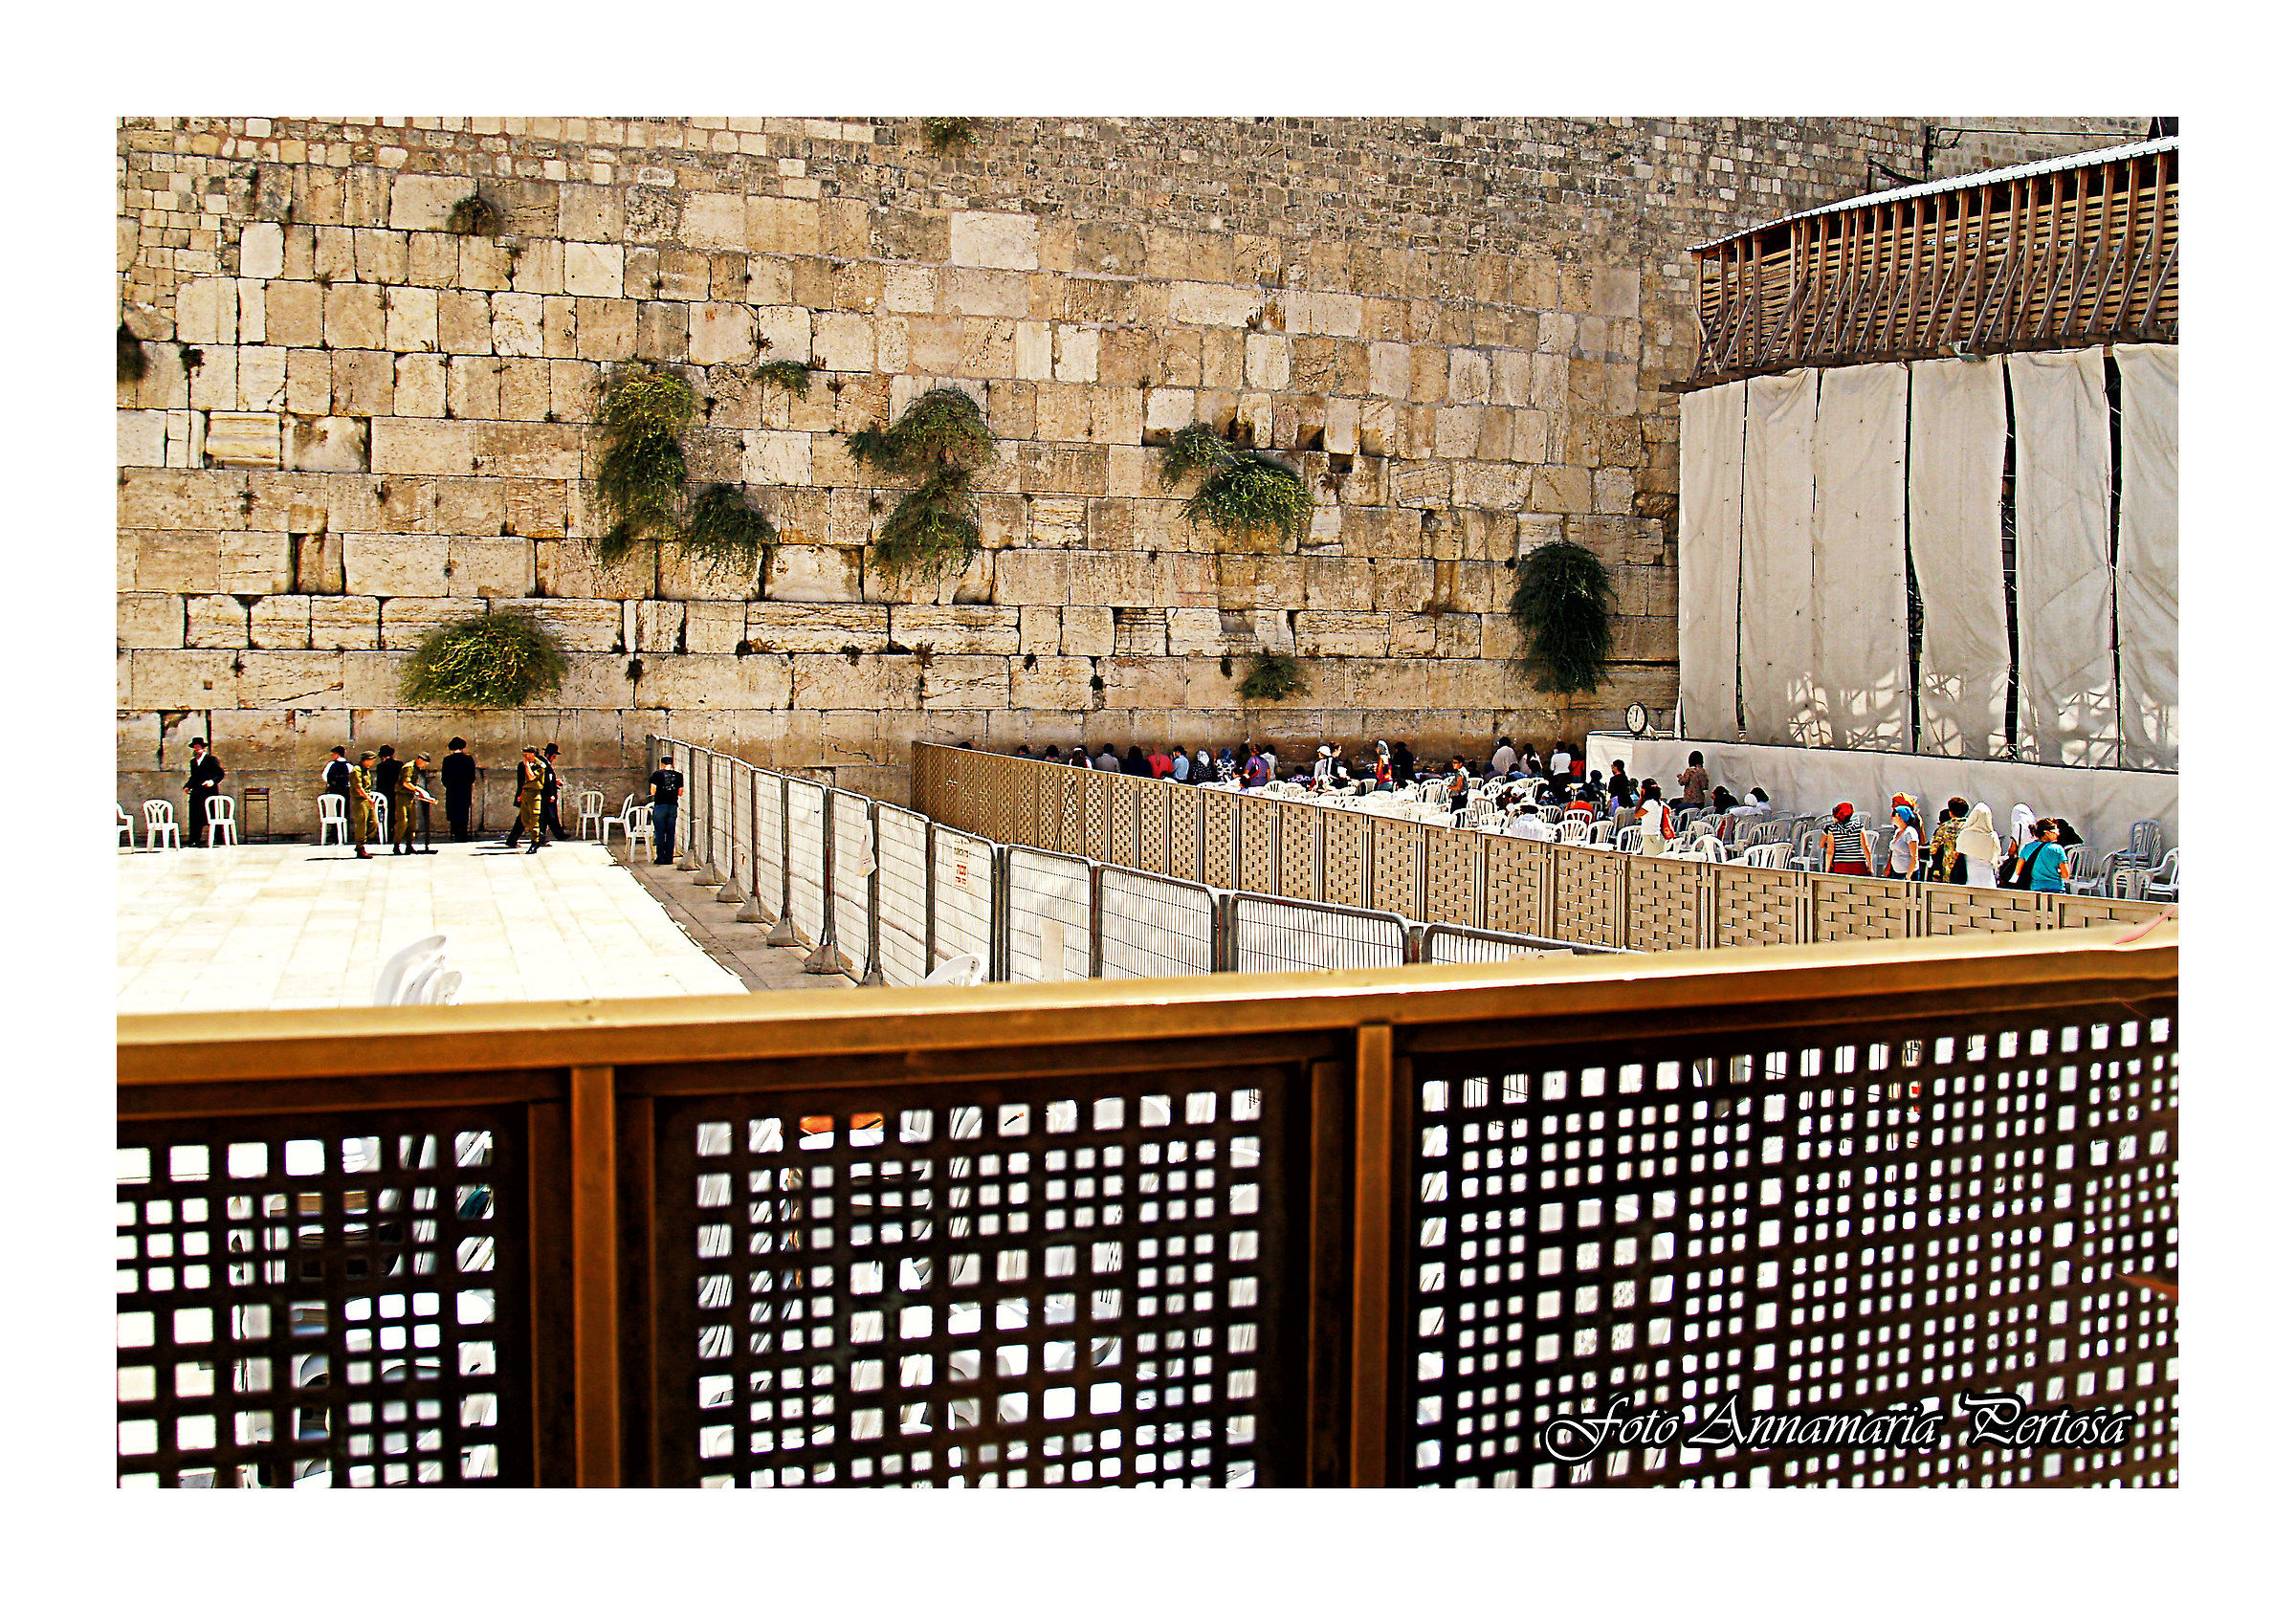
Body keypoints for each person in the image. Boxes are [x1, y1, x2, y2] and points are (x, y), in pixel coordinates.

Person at [183, 737, 226, 847]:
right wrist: (187, 786)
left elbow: (220, 774)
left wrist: (212, 781)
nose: (197, 749)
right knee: (195, 816)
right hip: (197, 793)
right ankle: (194, 840)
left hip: (209, 792)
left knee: (212, 815)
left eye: (199, 747)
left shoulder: (211, 759)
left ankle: (218, 839)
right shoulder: (193, 762)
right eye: (195, 747)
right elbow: (194, 777)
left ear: (203, 748)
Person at [505, 746, 547, 852]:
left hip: (535, 794)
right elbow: (523, 782)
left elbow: (531, 777)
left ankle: (535, 842)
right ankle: (538, 835)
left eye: (527, 754)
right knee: (524, 819)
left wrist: (527, 766)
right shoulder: (522, 765)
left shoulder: (540, 765)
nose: (525, 756)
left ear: (533, 754)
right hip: (526, 793)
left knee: (534, 818)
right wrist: (520, 794)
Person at [647, 751, 684, 866]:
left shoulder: (657, 774)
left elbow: (653, 790)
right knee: (670, 832)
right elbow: (680, 792)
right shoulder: (679, 775)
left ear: (662, 764)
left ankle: (660, 857)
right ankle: (669, 858)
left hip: (660, 805)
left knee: (660, 832)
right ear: (672, 763)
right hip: (672, 806)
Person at [2017, 818, 2070, 891]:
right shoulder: (2058, 849)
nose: (2058, 834)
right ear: (2047, 833)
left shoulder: (2027, 848)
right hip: (2056, 889)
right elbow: (2066, 874)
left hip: (2035, 889)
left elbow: (2018, 871)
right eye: (2055, 831)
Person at [1956, 803, 2000, 888]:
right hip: (1988, 879)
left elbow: (1958, 851)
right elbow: (1996, 855)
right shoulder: (1993, 836)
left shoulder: (1965, 834)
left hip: (1969, 877)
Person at [1820, 802, 1871, 875]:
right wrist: (1870, 867)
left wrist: (1827, 870)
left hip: (1840, 865)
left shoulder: (1832, 829)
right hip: (1859, 864)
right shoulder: (1859, 826)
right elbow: (1865, 847)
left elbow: (1830, 851)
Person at [442, 737, 476, 841]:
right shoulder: (468, 759)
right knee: (464, 810)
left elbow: (444, 777)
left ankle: (454, 832)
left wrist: (450, 785)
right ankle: (463, 833)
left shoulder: (447, 760)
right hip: (465, 789)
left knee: (453, 810)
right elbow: (472, 776)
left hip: (452, 789)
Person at [1928, 797, 1970, 883]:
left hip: (1949, 868)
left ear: (1950, 812)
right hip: (1970, 867)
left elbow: (1934, 849)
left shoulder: (1945, 827)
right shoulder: (1971, 826)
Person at [349, 751, 381, 859]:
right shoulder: (356, 770)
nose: (372, 763)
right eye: (371, 761)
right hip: (360, 800)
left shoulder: (365, 770)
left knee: (373, 823)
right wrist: (368, 798)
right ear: (366, 760)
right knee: (361, 823)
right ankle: (360, 846)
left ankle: (362, 841)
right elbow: (358, 788)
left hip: (367, 799)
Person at [372, 744, 404, 849]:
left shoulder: (380, 766)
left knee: (387, 815)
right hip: (397, 793)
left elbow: (380, 783)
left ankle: (388, 834)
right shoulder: (399, 764)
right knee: (398, 814)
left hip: (385, 794)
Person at [1634, 781, 1673, 855]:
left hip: (1650, 835)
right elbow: (1669, 810)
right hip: (1656, 835)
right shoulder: (1659, 803)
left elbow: (1636, 815)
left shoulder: (1649, 803)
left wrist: (1641, 798)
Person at [1887, 804, 1922, 880]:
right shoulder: (1897, 832)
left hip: (1907, 874)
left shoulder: (1910, 832)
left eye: (1894, 815)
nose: (1892, 817)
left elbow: (1914, 856)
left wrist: (1908, 876)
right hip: (1896, 872)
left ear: (1900, 817)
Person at [540, 742, 566, 842]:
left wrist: (556, 782)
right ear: (548, 755)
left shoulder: (546, 764)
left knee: (551, 817)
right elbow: (546, 781)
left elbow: (549, 779)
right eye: (554, 756)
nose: (554, 759)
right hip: (547, 795)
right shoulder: (543, 764)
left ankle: (559, 835)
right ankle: (541, 837)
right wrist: (551, 794)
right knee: (546, 817)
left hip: (549, 795)